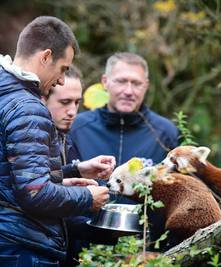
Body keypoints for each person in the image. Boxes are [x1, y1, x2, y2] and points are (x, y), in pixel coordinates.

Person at [0, 16, 110, 265]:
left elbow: (10, 177)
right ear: (45, 56)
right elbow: (35, 194)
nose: (61, 80)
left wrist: (66, 174)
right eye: (62, 69)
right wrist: (87, 198)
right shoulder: (27, 107)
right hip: (21, 247)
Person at [42, 65, 118, 266]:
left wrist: (79, 169)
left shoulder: (66, 138)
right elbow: (37, 196)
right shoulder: (32, 137)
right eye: (65, 102)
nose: (73, 111)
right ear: (43, 97)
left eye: (77, 103)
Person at [70, 52, 179, 167]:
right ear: (105, 82)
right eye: (121, 82)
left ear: (146, 86)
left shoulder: (165, 133)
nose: (128, 91)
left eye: (136, 83)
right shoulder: (77, 128)